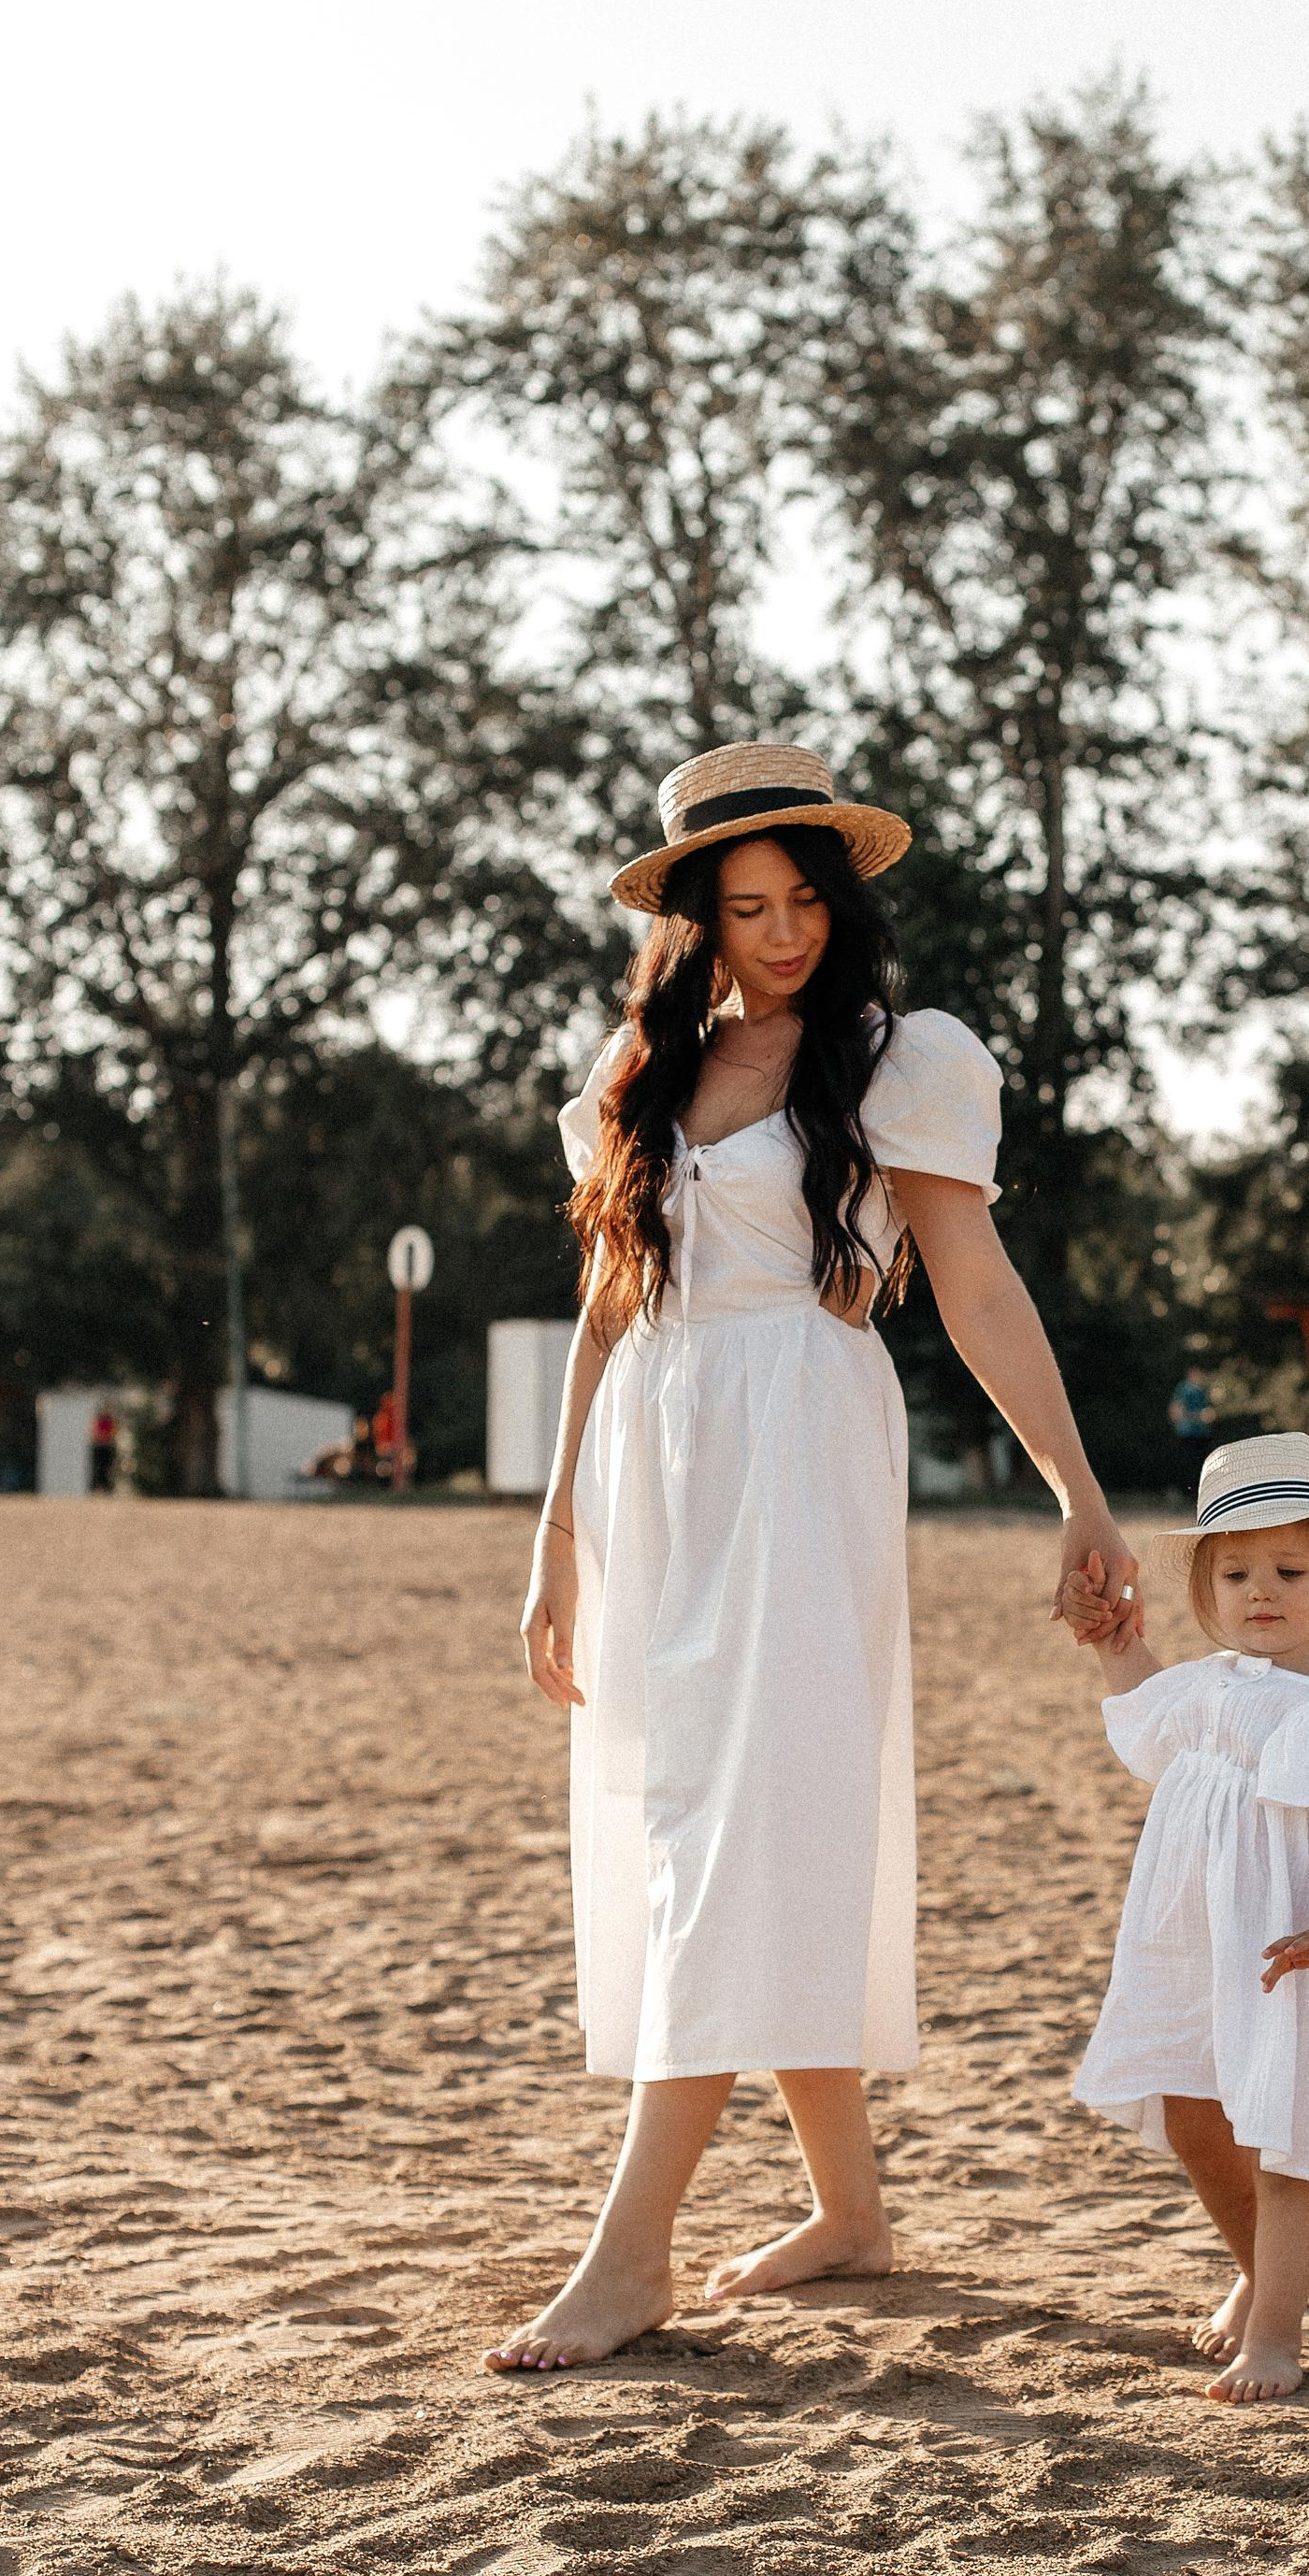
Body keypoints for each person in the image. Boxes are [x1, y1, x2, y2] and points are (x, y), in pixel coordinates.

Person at [489, 740, 1141, 2374]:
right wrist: (554, 1530)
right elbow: (607, 1306)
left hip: (797, 1446)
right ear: (693, 918)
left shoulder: (896, 1058)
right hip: (657, 1460)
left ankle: (630, 2249)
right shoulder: (641, 1068)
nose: (780, 933)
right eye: (745, 906)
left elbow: (978, 1289)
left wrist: (1078, 1489)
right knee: (701, 1812)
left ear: (840, 904)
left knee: (745, 1815)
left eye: (802, 903)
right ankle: (849, 2210)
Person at [1057, 1433, 1309, 2403]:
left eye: (1288, 1569)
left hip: (1283, 1945)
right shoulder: (1206, 1685)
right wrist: (1116, 1640)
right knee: (1194, 2113)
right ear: (1204, 1588)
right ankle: (1252, 2268)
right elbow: (1147, 1718)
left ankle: (1276, 2335)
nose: (1260, 1591)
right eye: (1234, 1572)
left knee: (1278, 2134)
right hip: (1187, 1936)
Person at [1168, 1361, 1214, 1489]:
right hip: (1186, 1433)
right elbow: (1176, 1412)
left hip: (1202, 1434)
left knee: (1200, 1465)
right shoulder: (1184, 1389)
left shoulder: (1204, 1389)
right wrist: (1198, 1416)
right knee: (1186, 1464)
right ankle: (1184, 1490)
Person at [88, 1405, 119, 1495]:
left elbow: (114, 1433)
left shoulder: (111, 1420)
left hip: (108, 1447)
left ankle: (107, 1488)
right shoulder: (98, 1420)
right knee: (98, 1468)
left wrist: (106, 1438)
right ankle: (96, 1488)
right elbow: (94, 1433)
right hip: (99, 1447)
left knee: (107, 1468)